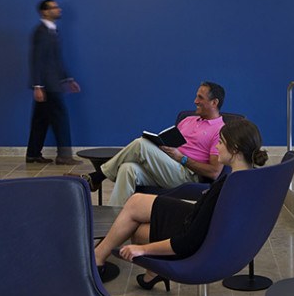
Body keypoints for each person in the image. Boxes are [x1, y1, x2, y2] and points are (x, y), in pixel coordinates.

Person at [93, 117, 268, 287]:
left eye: (220, 142)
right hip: (203, 225)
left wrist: (142, 250)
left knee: (138, 230)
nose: (216, 147)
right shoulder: (248, 179)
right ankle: (118, 263)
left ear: (235, 150)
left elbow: (188, 241)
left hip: (200, 241)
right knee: (135, 202)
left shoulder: (226, 188)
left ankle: (97, 259)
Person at [91, 81, 226, 205]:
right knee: (128, 168)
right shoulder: (188, 120)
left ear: (214, 102)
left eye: (200, 98)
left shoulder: (220, 130)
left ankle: (98, 176)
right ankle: (115, 222)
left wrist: (182, 158)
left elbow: (214, 172)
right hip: (168, 166)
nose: (195, 101)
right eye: (196, 96)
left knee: (140, 144)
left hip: (187, 174)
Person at [26, 0, 81, 165]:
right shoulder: (41, 32)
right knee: (60, 118)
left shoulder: (52, 31)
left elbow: (55, 59)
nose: (58, 9)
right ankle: (64, 156)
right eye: (54, 7)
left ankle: (33, 154)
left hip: (52, 83)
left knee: (40, 119)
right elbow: (37, 60)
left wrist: (68, 78)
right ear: (44, 12)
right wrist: (38, 86)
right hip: (48, 85)